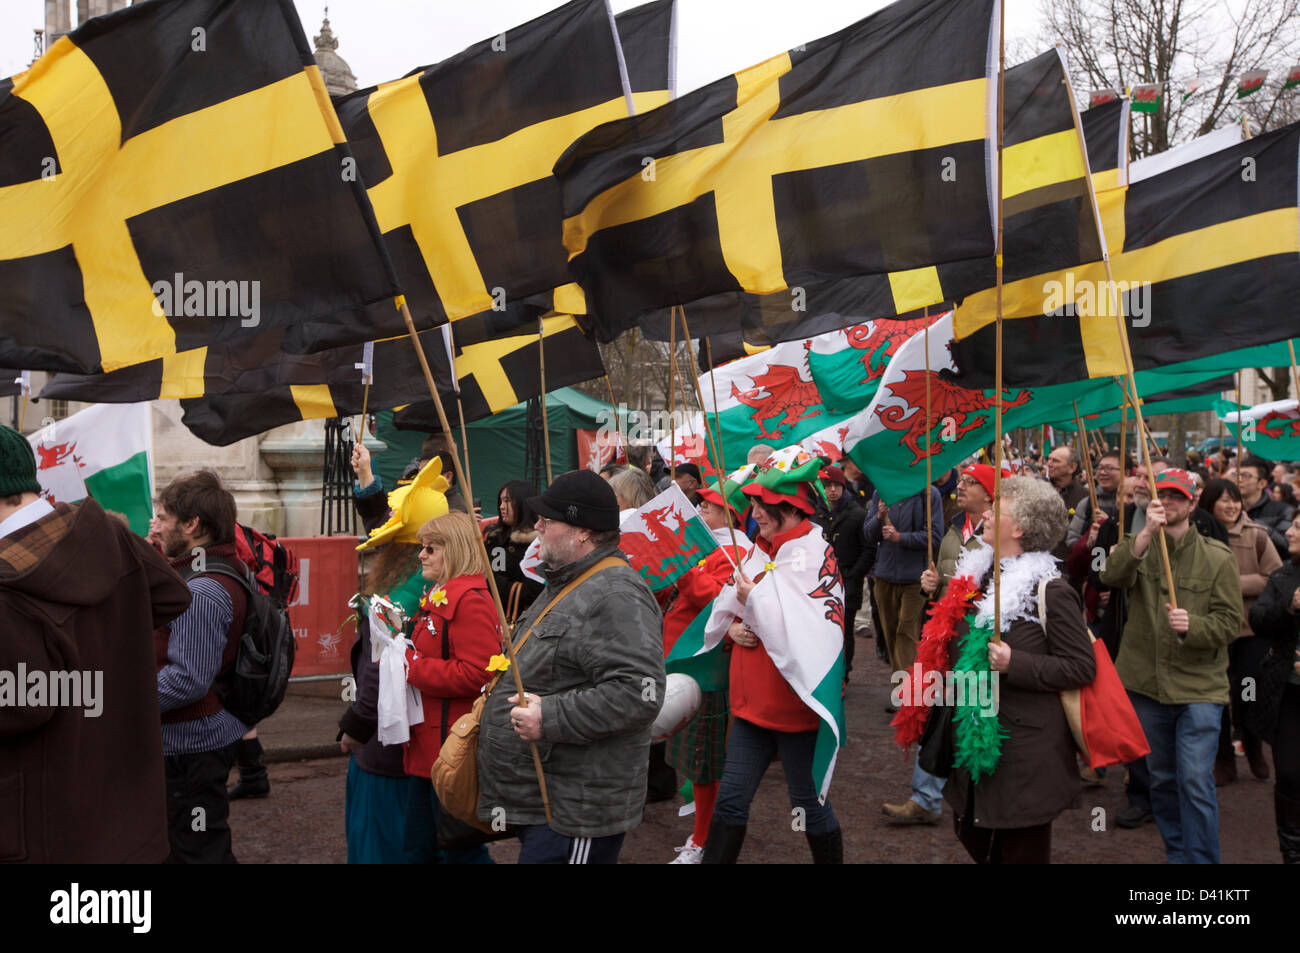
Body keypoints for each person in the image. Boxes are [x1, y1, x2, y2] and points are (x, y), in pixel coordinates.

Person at [0, 426, 192, 863]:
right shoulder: (105, 532)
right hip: (129, 823)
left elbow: (22, 705)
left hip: (46, 833)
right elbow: (171, 594)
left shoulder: (7, 589)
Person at [477, 470, 665, 864]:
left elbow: (639, 693)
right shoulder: (567, 580)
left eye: (549, 518)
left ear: (582, 532)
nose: (538, 525)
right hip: (549, 804)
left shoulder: (616, 594)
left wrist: (550, 716)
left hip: (577, 811)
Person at [941, 477, 1097, 863]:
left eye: (998, 509)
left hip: (1024, 752)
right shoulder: (978, 576)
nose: (988, 514)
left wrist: (1017, 663)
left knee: (1018, 852)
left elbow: (1081, 666)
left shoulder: (1051, 590)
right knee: (970, 831)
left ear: (1021, 527)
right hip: (975, 732)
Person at [702, 455, 845, 863]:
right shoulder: (759, 549)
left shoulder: (814, 554)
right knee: (731, 800)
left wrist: (756, 602)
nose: (756, 512)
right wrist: (731, 625)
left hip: (793, 706)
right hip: (751, 705)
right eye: (755, 503)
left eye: (765, 505)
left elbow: (815, 630)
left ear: (791, 507)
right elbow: (728, 604)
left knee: (807, 803)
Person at [1100, 468, 1243, 863]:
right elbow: (1110, 576)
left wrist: (1193, 626)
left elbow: (1231, 622)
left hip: (1199, 687)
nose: (1170, 502)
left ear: (1194, 503)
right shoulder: (1138, 543)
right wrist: (1144, 534)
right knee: (1161, 781)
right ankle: (1178, 856)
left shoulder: (1218, 557)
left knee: (1195, 781)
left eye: (1179, 496)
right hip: (1146, 686)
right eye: (1163, 495)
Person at [338, 460, 450, 864]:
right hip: (434, 749)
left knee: (380, 850)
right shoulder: (448, 580)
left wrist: (354, 729)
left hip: (386, 754)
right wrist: (366, 479)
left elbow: (376, 680)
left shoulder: (391, 600)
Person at [883, 463, 1005, 826]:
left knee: (974, 719)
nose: (960, 486)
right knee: (936, 712)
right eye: (962, 480)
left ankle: (980, 802)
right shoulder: (953, 528)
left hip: (978, 640)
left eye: (971, 482)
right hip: (945, 635)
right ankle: (926, 797)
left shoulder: (1001, 532)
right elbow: (944, 577)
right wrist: (930, 583)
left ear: (989, 494)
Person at [153, 470, 255, 863]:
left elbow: (188, 680)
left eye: (163, 517)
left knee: (195, 851)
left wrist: (125, 699)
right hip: (191, 744)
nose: (157, 525)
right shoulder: (211, 571)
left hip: (189, 748)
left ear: (192, 524)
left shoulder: (201, 589)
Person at [403, 509, 501, 864]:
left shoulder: (470, 600)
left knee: (458, 851)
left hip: (450, 747)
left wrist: (412, 668)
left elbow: (480, 673)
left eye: (431, 548)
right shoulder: (443, 593)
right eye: (423, 547)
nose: (421, 555)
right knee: (421, 848)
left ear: (455, 549)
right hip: (430, 744)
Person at [662, 471, 749, 863]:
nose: (699, 510)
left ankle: (702, 843)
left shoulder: (738, 553)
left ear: (729, 515)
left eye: (708, 507)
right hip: (683, 663)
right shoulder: (708, 544)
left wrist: (681, 567)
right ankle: (701, 831)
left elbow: (715, 601)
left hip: (707, 669)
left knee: (705, 762)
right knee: (694, 761)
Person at [1198, 479, 1281, 785]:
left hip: (1249, 629)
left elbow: (1273, 577)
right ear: (1210, 504)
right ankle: (1223, 757)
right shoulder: (1199, 535)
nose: (1232, 506)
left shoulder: (1257, 534)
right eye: (1224, 500)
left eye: (1235, 500)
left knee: (1247, 691)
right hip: (1214, 628)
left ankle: (1252, 741)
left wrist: (1229, 583)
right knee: (1217, 695)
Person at [1247, 515, 1300, 863]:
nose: (1290, 532)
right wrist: (1289, 606)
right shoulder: (1283, 576)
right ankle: (1292, 851)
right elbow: (1259, 621)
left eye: (1299, 527)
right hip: (1288, 695)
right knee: (1291, 775)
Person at [863, 483, 944, 710]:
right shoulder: (882, 491)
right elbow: (868, 534)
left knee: (906, 632)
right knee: (890, 633)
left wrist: (901, 538)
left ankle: (907, 694)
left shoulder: (928, 494)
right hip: (885, 576)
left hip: (914, 579)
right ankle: (901, 687)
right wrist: (879, 517)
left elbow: (935, 536)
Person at [816, 466, 871, 678]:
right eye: (827, 486)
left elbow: (868, 549)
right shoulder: (814, 516)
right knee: (823, 630)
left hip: (847, 582)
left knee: (845, 630)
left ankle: (844, 671)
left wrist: (853, 574)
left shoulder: (857, 514)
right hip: (821, 583)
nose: (832, 490)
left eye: (836, 485)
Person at [482, 480, 542, 622]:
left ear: (522, 503)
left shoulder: (537, 545)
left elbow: (533, 592)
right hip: (490, 616)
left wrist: (492, 582)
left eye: (507, 501)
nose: (501, 507)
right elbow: (496, 570)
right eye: (501, 501)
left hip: (520, 621)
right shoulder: (496, 538)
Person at [1238, 457, 1294, 558]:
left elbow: (1287, 545)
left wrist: (1257, 525)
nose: (1239, 480)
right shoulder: (1231, 510)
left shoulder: (1283, 510)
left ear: (1262, 483)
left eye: (1246, 476)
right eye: (1237, 475)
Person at [1066, 453, 1123, 549]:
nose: (1103, 473)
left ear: (1126, 472)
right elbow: (1071, 540)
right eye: (1100, 468)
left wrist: (1109, 523)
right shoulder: (1088, 503)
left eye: (1109, 468)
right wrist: (1088, 541)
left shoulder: (1133, 502)